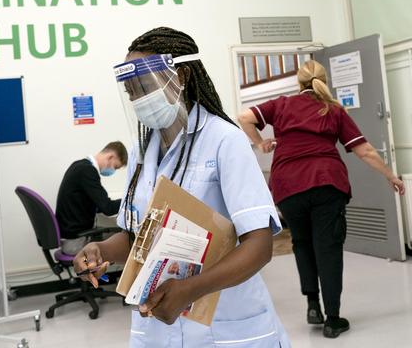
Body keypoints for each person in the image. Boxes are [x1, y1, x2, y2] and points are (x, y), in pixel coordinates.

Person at [74, 27, 291, 347]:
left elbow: (259, 246)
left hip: (224, 324)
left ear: (183, 75)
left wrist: (192, 289)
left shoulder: (224, 140)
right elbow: (138, 235)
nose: (137, 98)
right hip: (157, 323)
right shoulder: (139, 151)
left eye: (144, 86)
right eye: (131, 90)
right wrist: (102, 250)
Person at [238, 59, 405, 338]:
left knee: (301, 243)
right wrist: (391, 176)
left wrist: (260, 143)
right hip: (327, 183)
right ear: (324, 82)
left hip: (288, 186)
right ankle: (333, 319)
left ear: (298, 83)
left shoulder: (281, 105)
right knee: (327, 247)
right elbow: (365, 151)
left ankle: (312, 304)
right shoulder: (333, 110)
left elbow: (244, 117)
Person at [56, 141, 128, 255]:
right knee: (126, 241)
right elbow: (108, 209)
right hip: (76, 243)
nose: (113, 171)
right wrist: (130, 200)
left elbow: (95, 205)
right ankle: (89, 265)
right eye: (115, 167)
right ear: (110, 157)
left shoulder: (79, 165)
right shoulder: (87, 171)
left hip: (71, 238)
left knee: (118, 236)